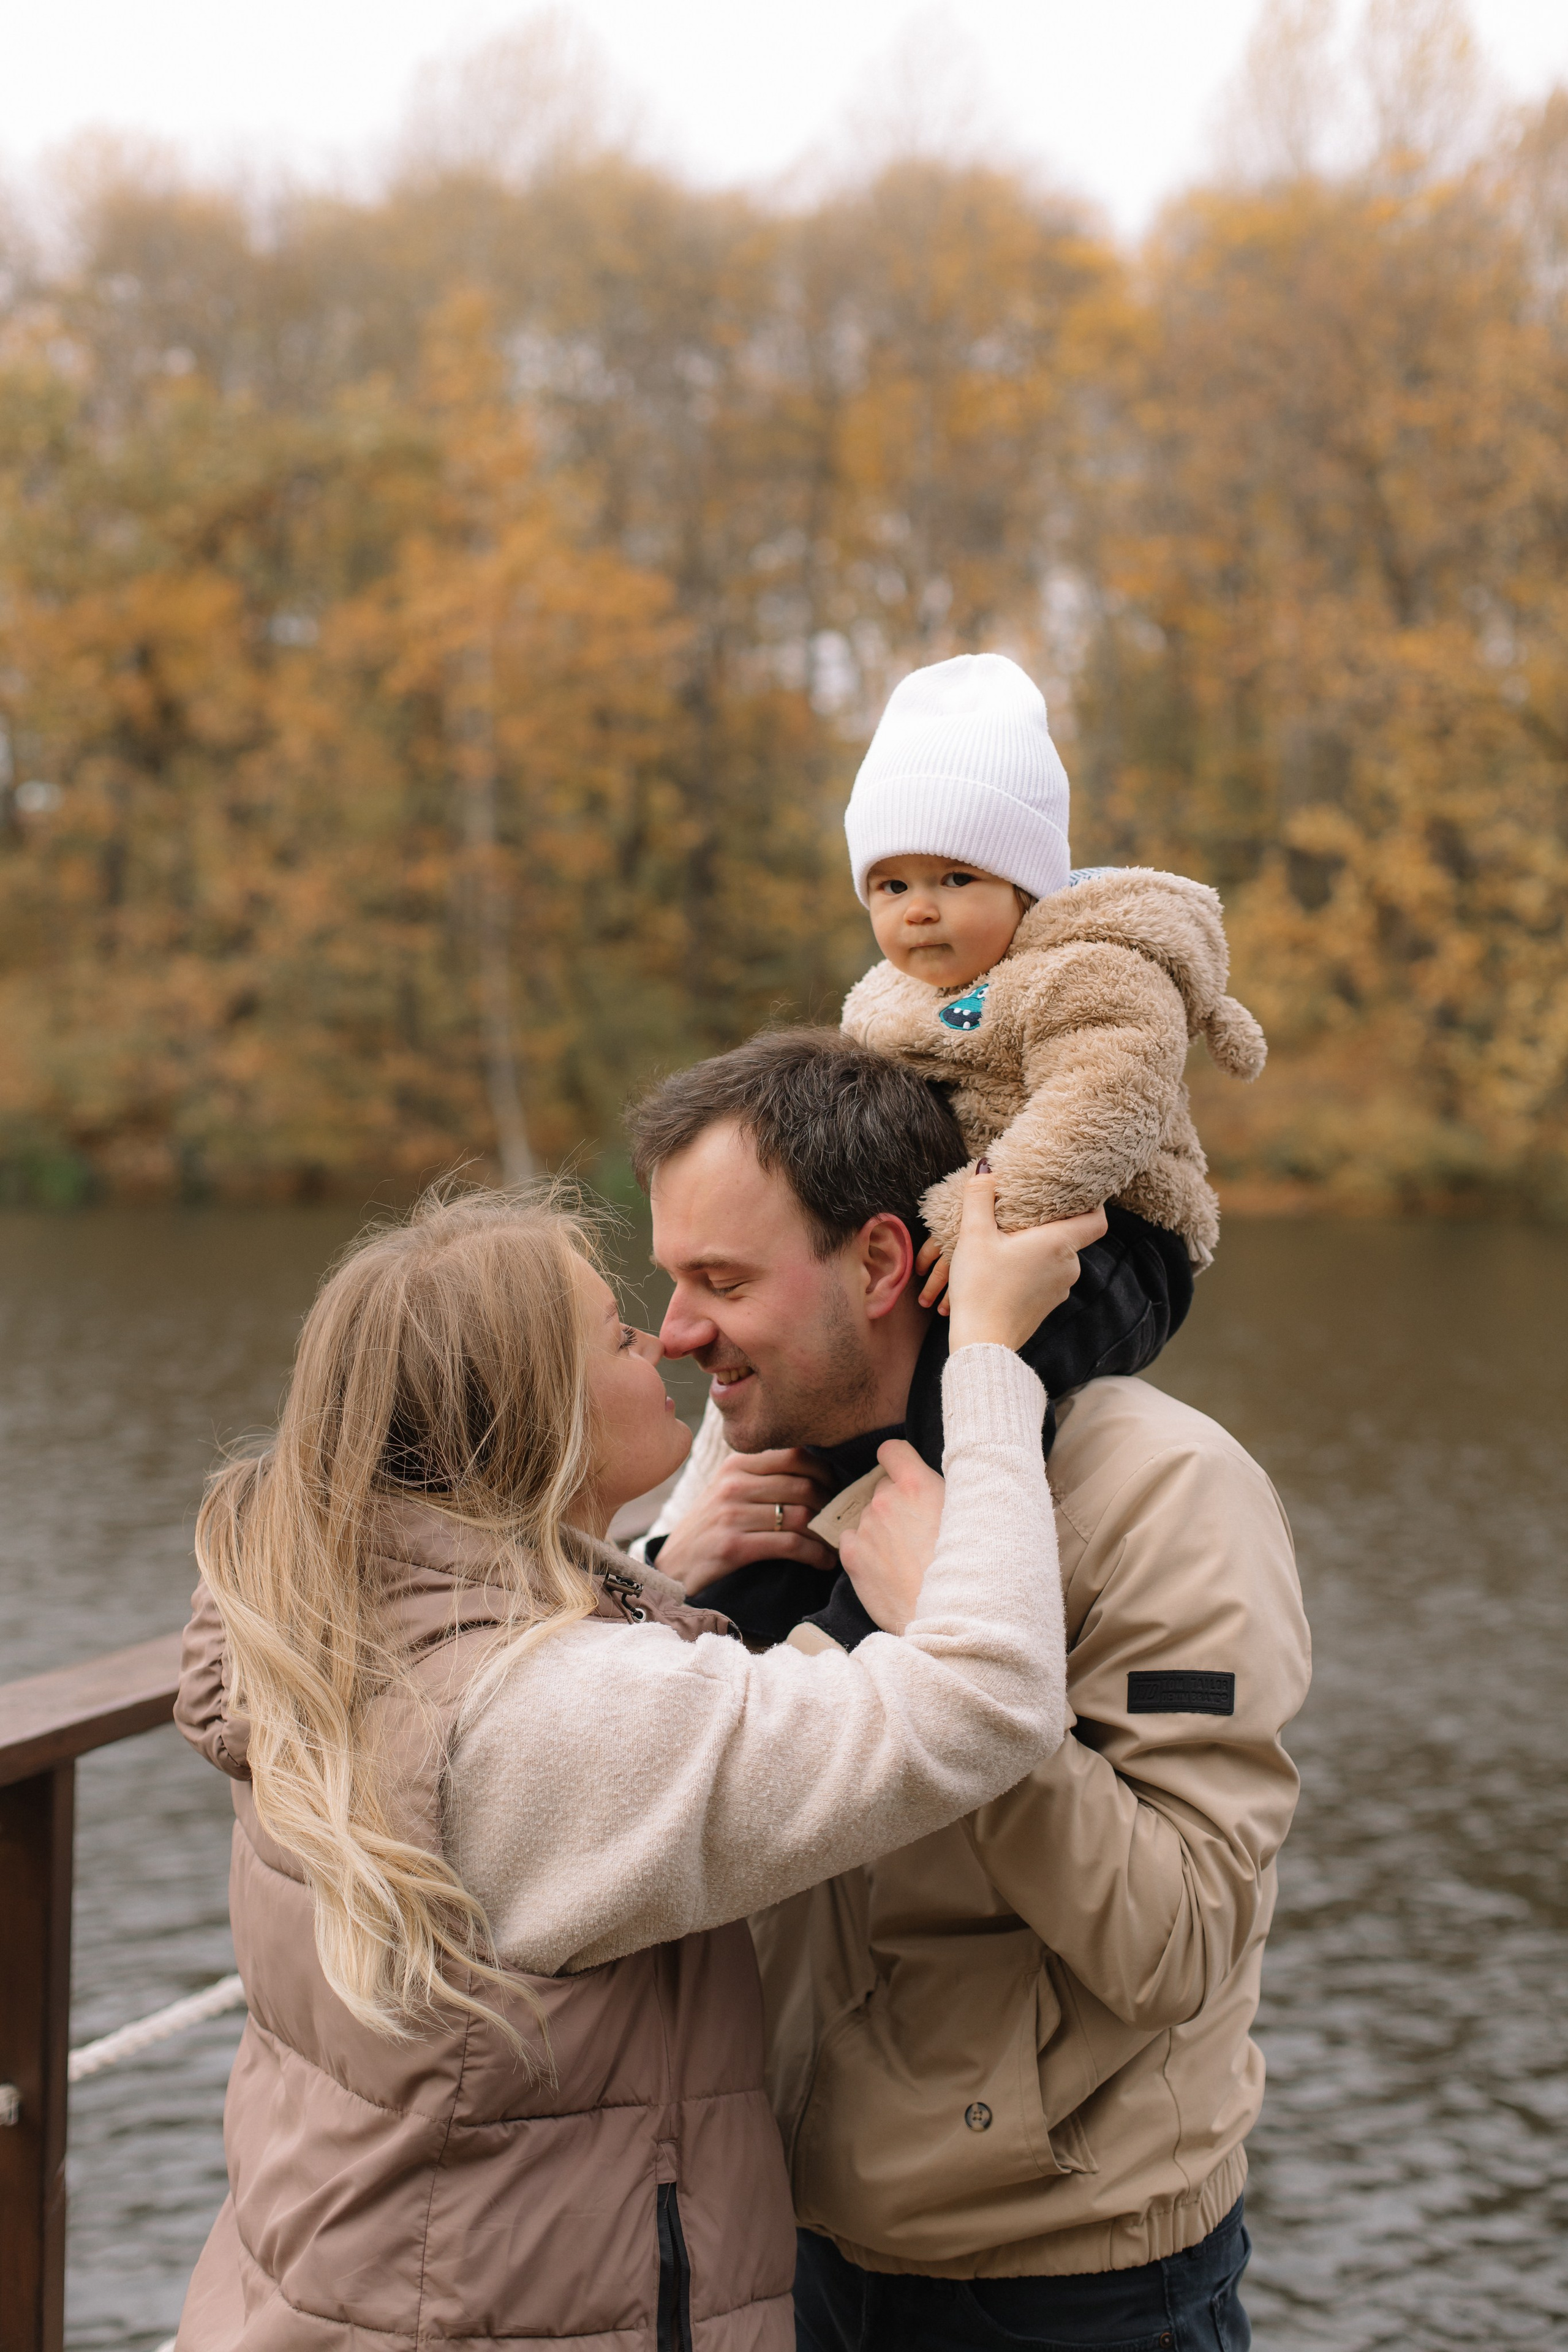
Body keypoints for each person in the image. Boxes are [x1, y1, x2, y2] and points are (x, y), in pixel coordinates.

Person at [170, 1178, 1093, 2352]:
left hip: (340, 2290)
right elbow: (990, 1699)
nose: (665, 1340)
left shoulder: (334, 1617)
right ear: (537, 1416)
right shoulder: (542, 1723)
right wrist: (991, 1357)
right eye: (617, 1334)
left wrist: (640, 1570)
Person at [627, 1031, 1312, 2352]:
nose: (676, 1333)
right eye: (672, 1280)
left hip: (1072, 2294)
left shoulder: (1163, 1494)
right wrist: (658, 1575)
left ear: (884, 1264)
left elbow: (1179, 1939)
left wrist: (959, 1644)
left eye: (722, 1280)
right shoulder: (755, 1495)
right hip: (784, 2255)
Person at [840, 652, 1267, 1286]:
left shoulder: (1090, 970)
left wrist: (970, 1221)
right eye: (893, 886)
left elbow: (1101, 1111)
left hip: (1114, 1231)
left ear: (1025, 886)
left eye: (956, 879)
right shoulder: (883, 997)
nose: (919, 910)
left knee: (966, 1331)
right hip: (979, 1219)